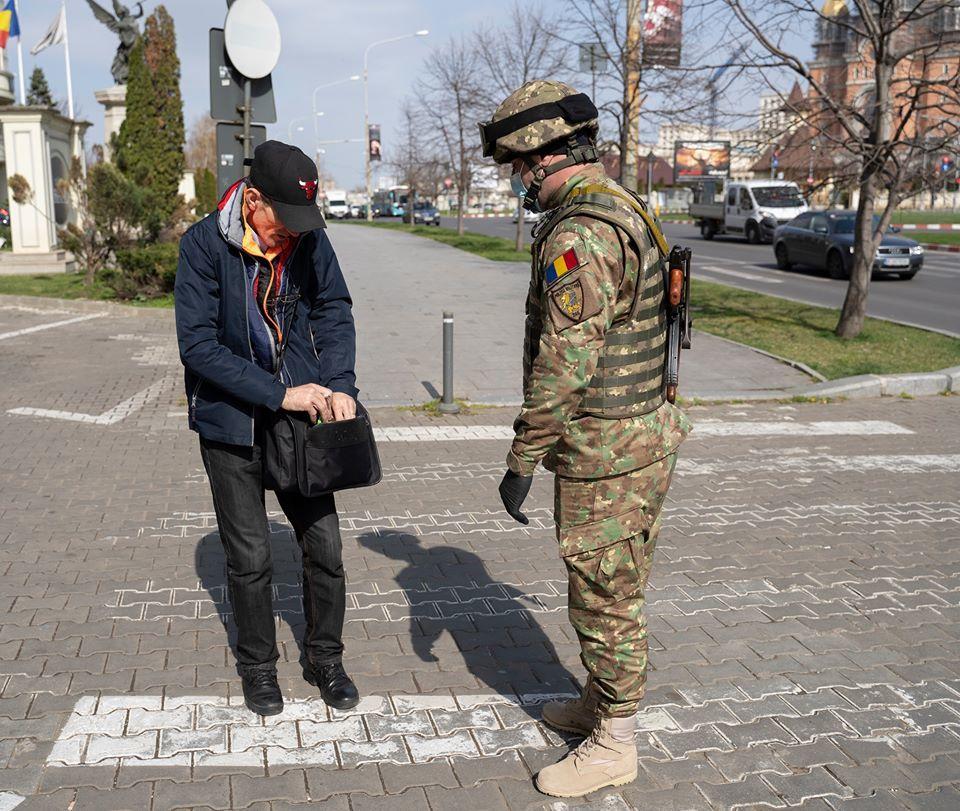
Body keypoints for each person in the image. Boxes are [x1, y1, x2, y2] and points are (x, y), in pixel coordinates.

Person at [478, 81, 691, 797]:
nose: (517, 179)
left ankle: (615, 742)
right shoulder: (623, 204)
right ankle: (602, 702)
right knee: (616, 580)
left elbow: (565, 363)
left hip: (608, 452)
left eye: (518, 165)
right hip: (640, 437)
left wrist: (523, 457)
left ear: (546, 157)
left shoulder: (579, 234)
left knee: (604, 596)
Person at [174, 141, 361, 717]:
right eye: (284, 222)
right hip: (232, 424)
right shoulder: (203, 245)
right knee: (250, 556)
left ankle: (325, 657)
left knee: (324, 547)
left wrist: (342, 384)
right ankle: (258, 667)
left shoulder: (306, 236)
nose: (294, 235)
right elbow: (198, 347)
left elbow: (333, 308)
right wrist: (279, 393)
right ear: (252, 200)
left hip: (303, 418)